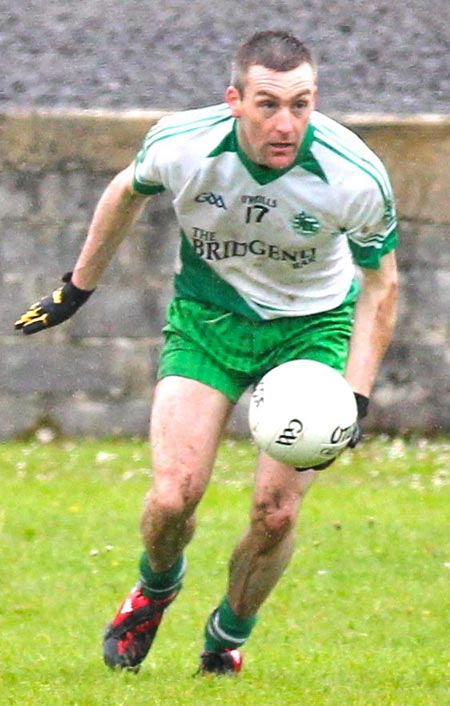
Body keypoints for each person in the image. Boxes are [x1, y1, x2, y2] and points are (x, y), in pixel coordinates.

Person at [15, 30, 399, 676]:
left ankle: (226, 638)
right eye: (269, 104)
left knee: (275, 514)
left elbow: (383, 284)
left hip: (311, 334)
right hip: (208, 320)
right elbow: (122, 193)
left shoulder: (353, 175)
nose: (287, 124)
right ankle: (155, 589)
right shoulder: (183, 144)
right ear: (234, 100)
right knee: (173, 498)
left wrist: (354, 396)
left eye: (302, 104)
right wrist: (75, 290)